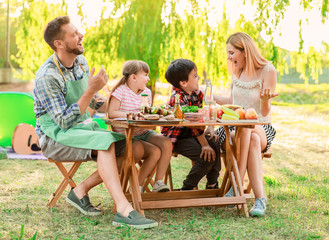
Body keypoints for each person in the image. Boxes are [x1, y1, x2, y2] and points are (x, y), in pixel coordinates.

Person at [33, 16, 157, 229]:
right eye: (74, 34)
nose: (81, 35)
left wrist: (122, 109)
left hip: (82, 128)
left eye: (78, 31)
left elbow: (94, 100)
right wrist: (91, 88)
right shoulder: (47, 76)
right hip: (54, 136)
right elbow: (63, 121)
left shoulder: (80, 61)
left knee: (134, 148)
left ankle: (79, 190)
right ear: (59, 44)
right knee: (107, 143)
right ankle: (123, 210)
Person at [213, 32, 278, 217]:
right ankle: (260, 198)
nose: (229, 57)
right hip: (234, 130)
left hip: (261, 126)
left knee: (249, 128)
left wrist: (265, 101)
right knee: (252, 139)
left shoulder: (268, 70)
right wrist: (210, 96)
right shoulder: (237, 70)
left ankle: (237, 185)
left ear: (245, 51)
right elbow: (231, 101)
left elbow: (264, 113)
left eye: (232, 53)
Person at [107, 60, 172, 193]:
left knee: (166, 142)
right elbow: (112, 113)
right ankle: (137, 187)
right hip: (126, 135)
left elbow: (145, 112)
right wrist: (132, 115)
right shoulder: (121, 91)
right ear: (133, 77)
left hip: (143, 132)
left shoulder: (146, 92)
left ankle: (158, 182)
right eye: (146, 75)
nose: (148, 79)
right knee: (155, 151)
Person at [161, 58, 221, 190]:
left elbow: (204, 114)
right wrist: (204, 145)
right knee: (206, 157)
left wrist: (210, 129)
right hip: (178, 138)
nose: (199, 77)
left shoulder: (197, 94)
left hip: (194, 135)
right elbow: (190, 123)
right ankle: (187, 187)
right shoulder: (177, 98)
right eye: (195, 76)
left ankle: (212, 184)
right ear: (183, 82)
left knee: (214, 143)